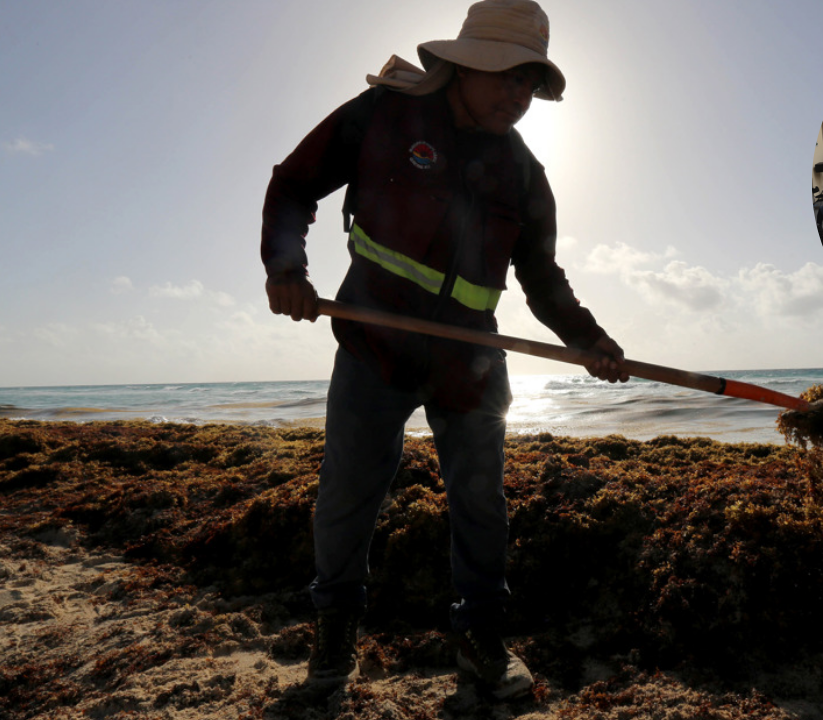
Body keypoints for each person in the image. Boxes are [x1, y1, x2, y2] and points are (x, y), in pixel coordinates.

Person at [260, 0, 629, 698]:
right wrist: (287, 272)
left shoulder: (524, 173)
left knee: (481, 500)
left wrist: (590, 342)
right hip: (374, 340)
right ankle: (333, 647)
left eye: (528, 84)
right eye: (505, 77)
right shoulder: (383, 115)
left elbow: (542, 278)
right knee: (348, 494)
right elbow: (293, 184)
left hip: (472, 359)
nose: (516, 97)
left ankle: (483, 647)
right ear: (463, 63)